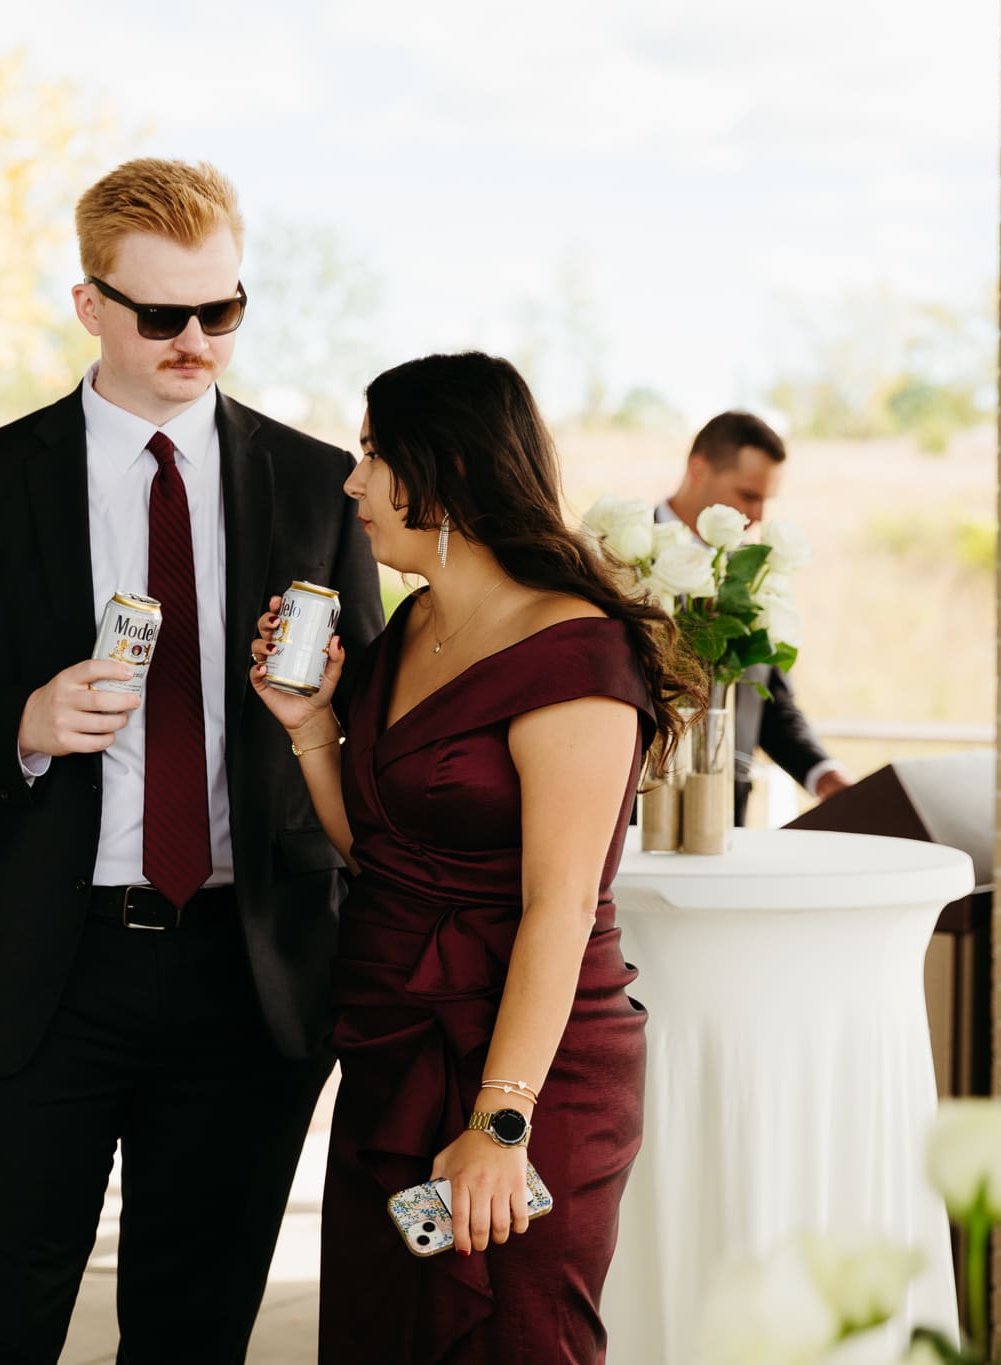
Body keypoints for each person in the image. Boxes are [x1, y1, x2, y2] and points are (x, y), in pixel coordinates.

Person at [0, 158, 383, 1363]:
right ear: (89, 305)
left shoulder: (316, 486)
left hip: (248, 974)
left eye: (223, 311)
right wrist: (23, 723)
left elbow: (373, 730)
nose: (197, 342)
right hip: (41, 970)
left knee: (196, 1330)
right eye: (162, 316)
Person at [248, 352, 700, 1364]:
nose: (350, 482)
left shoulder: (577, 655)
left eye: (371, 454)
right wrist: (310, 725)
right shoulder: (412, 625)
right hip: (390, 1046)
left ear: (441, 466)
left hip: (533, 1075)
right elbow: (382, 851)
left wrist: (499, 1125)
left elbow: (558, 908)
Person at [659, 411, 850, 824]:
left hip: (726, 822)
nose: (759, 515)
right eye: (748, 495)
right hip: (638, 822)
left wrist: (825, 777)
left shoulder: (753, 575)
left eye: (766, 500)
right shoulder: (615, 559)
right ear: (698, 470)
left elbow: (771, 702)